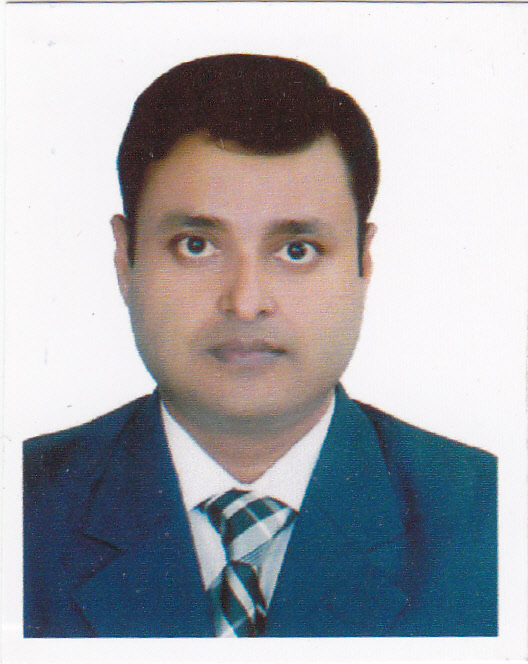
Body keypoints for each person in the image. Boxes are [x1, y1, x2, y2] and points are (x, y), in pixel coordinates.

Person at [23, 54, 497, 638]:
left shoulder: (494, 521)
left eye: (297, 250)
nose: (246, 303)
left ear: (363, 262)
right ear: (126, 260)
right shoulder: (22, 508)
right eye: (196, 245)